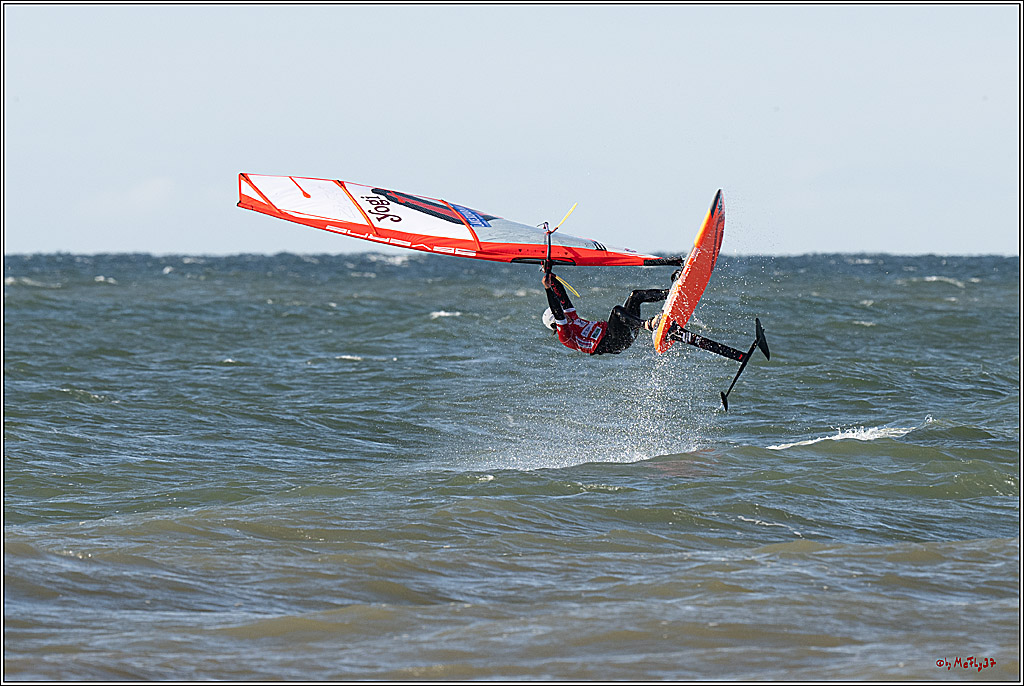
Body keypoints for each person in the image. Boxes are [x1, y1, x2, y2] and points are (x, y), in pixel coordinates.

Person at [541, 271, 669, 355]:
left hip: (622, 331)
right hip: (614, 342)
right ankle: (648, 325)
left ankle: (669, 293)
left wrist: (550, 276)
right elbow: (557, 310)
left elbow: (562, 296)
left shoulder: (572, 318)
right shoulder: (565, 336)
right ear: (556, 323)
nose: (566, 314)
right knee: (616, 311)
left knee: (635, 296)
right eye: (563, 315)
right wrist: (547, 289)